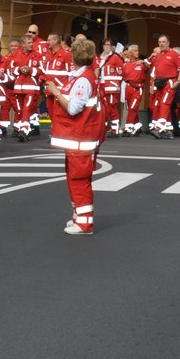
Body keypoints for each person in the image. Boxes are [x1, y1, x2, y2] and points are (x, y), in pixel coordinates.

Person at [45, 37, 104, 235]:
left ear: (76, 56)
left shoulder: (83, 80)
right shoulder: (81, 77)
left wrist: (55, 92)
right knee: (75, 179)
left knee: (79, 180)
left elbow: (73, 108)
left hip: (80, 139)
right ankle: (79, 218)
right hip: (77, 139)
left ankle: (85, 223)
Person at [147, 35, 180, 139]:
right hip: (159, 83)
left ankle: (159, 128)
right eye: (159, 42)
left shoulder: (174, 54)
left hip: (170, 82)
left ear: (168, 43)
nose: (161, 44)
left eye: (163, 42)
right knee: (159, 105)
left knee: (164, 103)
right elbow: (150, 67)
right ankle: (167, 130)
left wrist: (178, 81)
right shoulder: (158, 55)